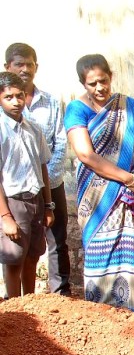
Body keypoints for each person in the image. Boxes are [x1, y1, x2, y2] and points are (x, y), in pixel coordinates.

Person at [64, 54, 134, 318]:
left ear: (110, 76)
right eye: (92, 84)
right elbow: (86, 155)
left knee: (128, 250)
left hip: (126, 197)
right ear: (83, 84)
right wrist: (127, 178)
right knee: (98, 253)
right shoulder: (76, 109)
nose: (100, 88)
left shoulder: (127, 107)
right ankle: (100, 316)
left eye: (103, 81)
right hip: (96, 199)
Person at [5, 43, 70, 296]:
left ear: (36, 67)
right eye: (18, 64)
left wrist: (47, 188)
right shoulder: (4, 111)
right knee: (15, 250)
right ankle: (14, 305)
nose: (24, 69)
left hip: (50, 186)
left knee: (54, 242)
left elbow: (60, 142)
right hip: (16, 192)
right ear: (7, 67)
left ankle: (58, 293)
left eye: (29, 64)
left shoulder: (51, 102)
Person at [0, 71, 54, 297]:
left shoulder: (34, 129)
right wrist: (5, 217)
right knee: (14, 258)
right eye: (9, 97)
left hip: (36, 200)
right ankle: (15, 311)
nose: (16, 102)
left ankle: (30, 301)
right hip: (14, 202)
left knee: (33, 255)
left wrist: (49, 205)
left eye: (20, 96)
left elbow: (43, 167)